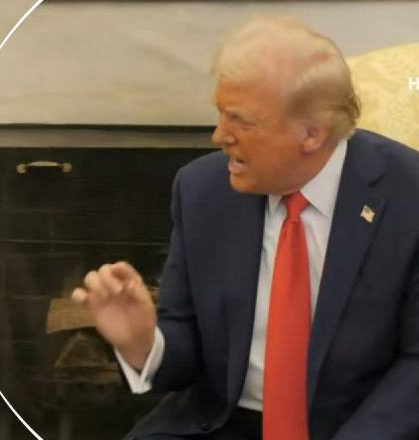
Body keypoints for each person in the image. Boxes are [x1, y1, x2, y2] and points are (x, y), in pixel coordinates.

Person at [73, 15, 419, 440]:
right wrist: (142, 344)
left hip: (355, 426)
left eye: (241, 121)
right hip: (222, 422)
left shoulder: (408, 194)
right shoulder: (202, 190)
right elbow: (185, 343)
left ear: (312, 134)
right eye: (220, 114)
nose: (219, 136)